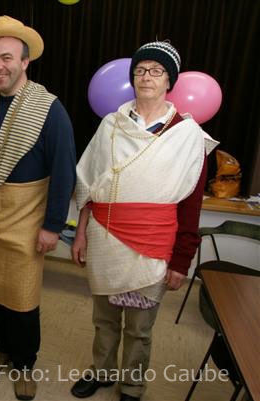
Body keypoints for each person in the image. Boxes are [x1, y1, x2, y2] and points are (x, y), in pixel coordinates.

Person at [70, 41, 218, 401]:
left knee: (139, 327)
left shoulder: (186, 135)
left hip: (153, 242)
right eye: (139, 70)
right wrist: (80, 233)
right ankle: (102, 371)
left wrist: (181, 259)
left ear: (170, 81)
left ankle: (132, 385)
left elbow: (191, 204)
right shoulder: (111, 125)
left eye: (156, 70)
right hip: (104, 235)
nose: (146, 76)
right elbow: (89, 183)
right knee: (104, 318)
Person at [0, 16, 76, 401]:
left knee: (22, 295)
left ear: (25, 61)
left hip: (28, 217)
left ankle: (24, 361)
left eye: (6, 58)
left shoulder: (50, 109)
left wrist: (53, 225)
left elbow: (64, 170)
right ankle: (2, 344)